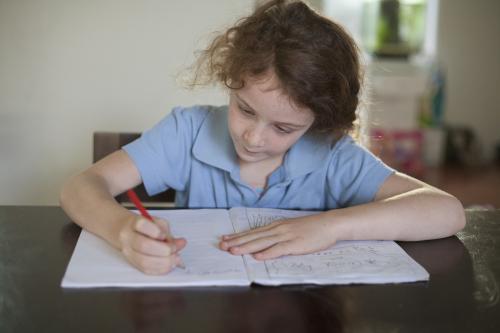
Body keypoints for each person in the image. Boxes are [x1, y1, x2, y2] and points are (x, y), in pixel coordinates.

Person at [60, 0, 465, 275]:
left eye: (284, 128)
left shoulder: (332, 154)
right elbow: (80, 188)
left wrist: (330, 227)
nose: (253, 138)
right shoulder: (187, 132)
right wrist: (121, 230)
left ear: (319, 123)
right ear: (231, 83)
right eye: (245, 109)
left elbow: (446, 211)